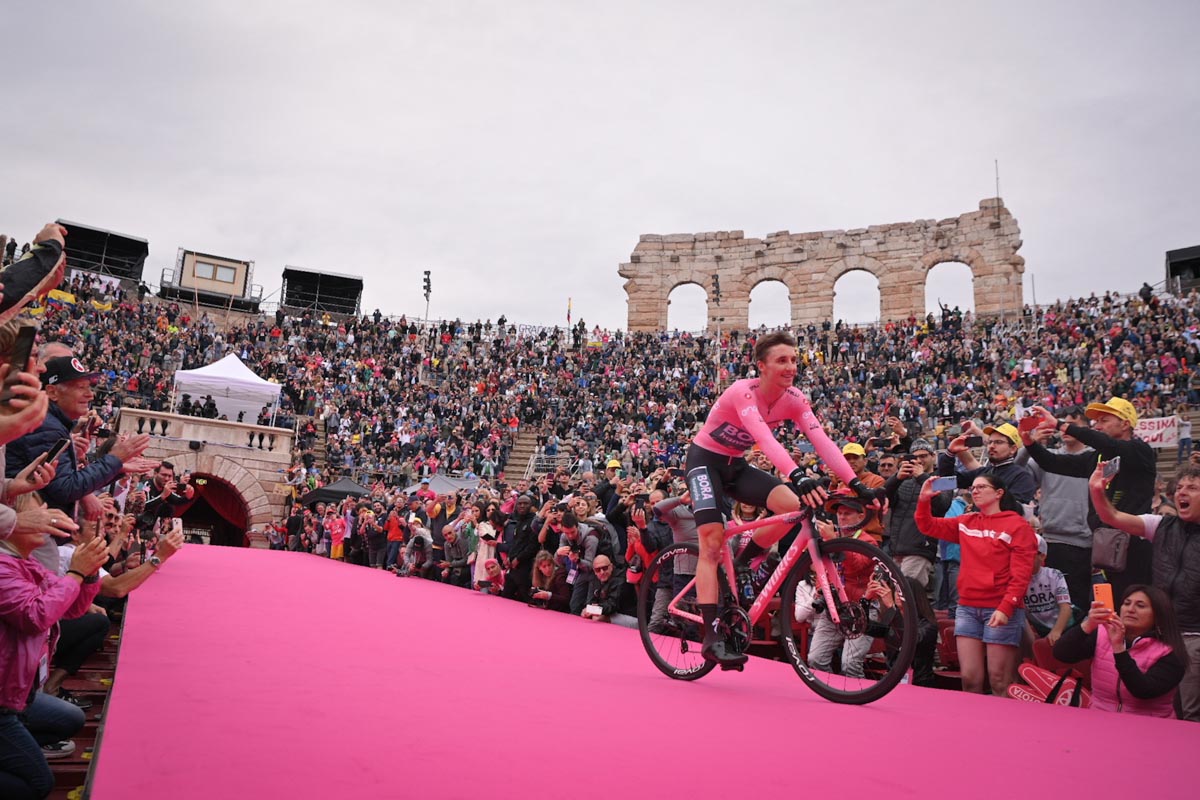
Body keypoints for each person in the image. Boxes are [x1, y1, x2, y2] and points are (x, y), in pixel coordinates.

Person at [684, 331, 872, 667]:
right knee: (711, 543)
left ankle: (742, 565)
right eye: (782, 360)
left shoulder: (795, 398)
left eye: (794, 360)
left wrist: (858, 484)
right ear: (762, 366)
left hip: (736, 466)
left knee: (794, 507)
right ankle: (711, 636)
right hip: (705, 462)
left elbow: (823, 442)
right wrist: (797, 475)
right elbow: (765, 440)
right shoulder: (743, 391)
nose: (791, 367)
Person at [0, 505, 102, 799]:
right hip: (4, 701)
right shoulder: (4, 567)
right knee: (38, 784)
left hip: (20, 693)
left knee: (70, 720)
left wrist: (89, 575)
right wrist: (77, 572)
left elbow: (72, 607)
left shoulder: (26, 563)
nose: (47, 524)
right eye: (39, 517)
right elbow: (36, 615)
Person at [1086, 462, 1200, 721]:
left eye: (1192, 488)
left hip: (1195, 635)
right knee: (1155, 705)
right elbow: (1111, 517)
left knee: (1190, 712)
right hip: (1159, 635)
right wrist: (1096, 491)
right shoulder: (1160, 525)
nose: (1182, 492)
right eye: (1179, 487)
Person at [915, 473, 1037, 696]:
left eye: (982, 487)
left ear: (999, 493)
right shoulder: (966, 522)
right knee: (970, 679)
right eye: (973, 487)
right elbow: (927, 526)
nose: (975, 491)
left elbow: (1021, 575)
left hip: (1000, 608)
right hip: (967, 607)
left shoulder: (1018, 526)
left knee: (1000, 680)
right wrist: (924, 500)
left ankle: (1004, 727)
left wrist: (1006, 608)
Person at [1023, 397, 1156, 601]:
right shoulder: (1097, 458)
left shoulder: (1140, 451)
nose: (1097, 425)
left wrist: (1061, 425)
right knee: (1111, 601)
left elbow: (1107, 444)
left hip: (1134, 544)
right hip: (1104, 543)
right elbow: (1052, 463)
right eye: (1096, 421)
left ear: (1126, 423)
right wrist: (1029, 443)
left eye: (1104, 420)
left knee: (1135, 599)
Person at [1053, 585, 1186, 718]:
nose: (1130, 610)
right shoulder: (1102, 634)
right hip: (1099, 717)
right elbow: (1062, 654)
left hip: (1149, 723)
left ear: (1158, 614)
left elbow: (1143, 691)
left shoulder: (1169, 652)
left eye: (1140, 606)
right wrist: (1088, 625)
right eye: (1127, 603)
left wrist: (1118, 648)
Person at [1023, 535, 1074, 646]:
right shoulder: (1016, 578)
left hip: (1063, 625)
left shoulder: (1055, 575)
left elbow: (1066, 607)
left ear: (1042, 556)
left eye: (1029, 554)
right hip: (1036, 628)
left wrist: (1056, 631)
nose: (1023, 557)